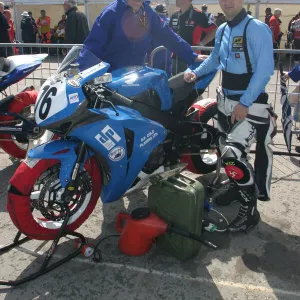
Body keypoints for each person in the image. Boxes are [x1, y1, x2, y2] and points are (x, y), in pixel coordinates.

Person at [184, 0, 274, 232]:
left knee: (232, 154)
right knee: (225, 151)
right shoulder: (223, 29)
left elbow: (265, 70)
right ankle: (236, 187)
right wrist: (194, 73)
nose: (227, 2)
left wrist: (245, 103)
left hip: (250, 106)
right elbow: (214, 60)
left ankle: (249, 210)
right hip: (226, 103)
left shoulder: (256, 28)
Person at [80, 0, 204, 72]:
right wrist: (80, 76)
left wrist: (192, 56)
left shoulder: (148, 12)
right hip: (111, 81)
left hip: (135, 79)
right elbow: (91, 48)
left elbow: (168, 36)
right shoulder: (111, 13)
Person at [169, 0, 217, 74]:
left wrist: (201, 44)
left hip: (192, 57)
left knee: (191, 83)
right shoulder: (175, 15)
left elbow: (213, 30)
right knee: (175, 83)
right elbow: (170, 32)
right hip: (176, 57)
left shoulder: (198, 14)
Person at [152, 4, 172, 77]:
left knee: (156, 76)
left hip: (155, 54)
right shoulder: (170, 21)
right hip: (168, 53)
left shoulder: (153, 22)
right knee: (168, 77)